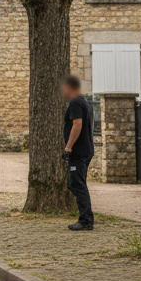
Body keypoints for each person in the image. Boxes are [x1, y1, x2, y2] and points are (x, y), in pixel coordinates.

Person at [62, 74, 94, 231]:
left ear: (69, 87)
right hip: (86, 149)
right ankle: (86, 217)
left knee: (78, 184)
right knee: (73, 183)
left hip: (79, 151)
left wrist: (68, 147)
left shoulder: (75, 103)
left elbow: (77, 124)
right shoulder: (85, 102)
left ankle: (86, 220)